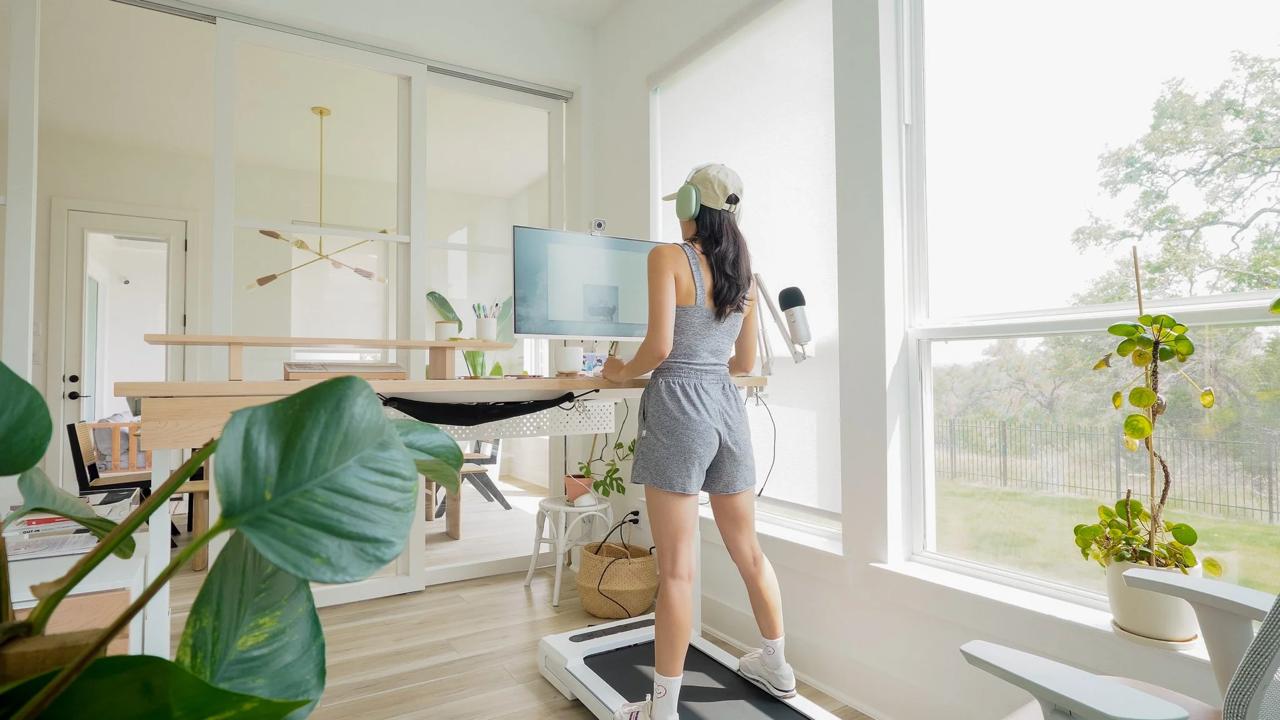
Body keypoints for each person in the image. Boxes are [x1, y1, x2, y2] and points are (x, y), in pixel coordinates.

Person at [603, 164, 794, 720]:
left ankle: (660, 711)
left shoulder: (668, 257)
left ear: (689, 203)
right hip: (727, 410)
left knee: (678, 571)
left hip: (678, 408)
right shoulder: (745, 272)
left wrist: (618, 373)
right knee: (749, 552)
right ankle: (777, 664)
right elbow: (744, 362)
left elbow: (659, 347)